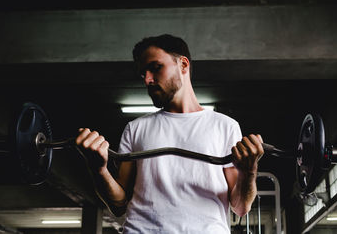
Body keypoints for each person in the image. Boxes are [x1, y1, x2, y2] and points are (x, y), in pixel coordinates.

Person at [76, 34, 264, 233]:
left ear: (183, 65)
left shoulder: (224, 126)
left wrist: (249, 172)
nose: (148, 79)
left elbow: (241, 207)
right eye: (143, 74)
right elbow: (118, 205)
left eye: (156, 68)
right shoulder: (136, 128)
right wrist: (99, 170)